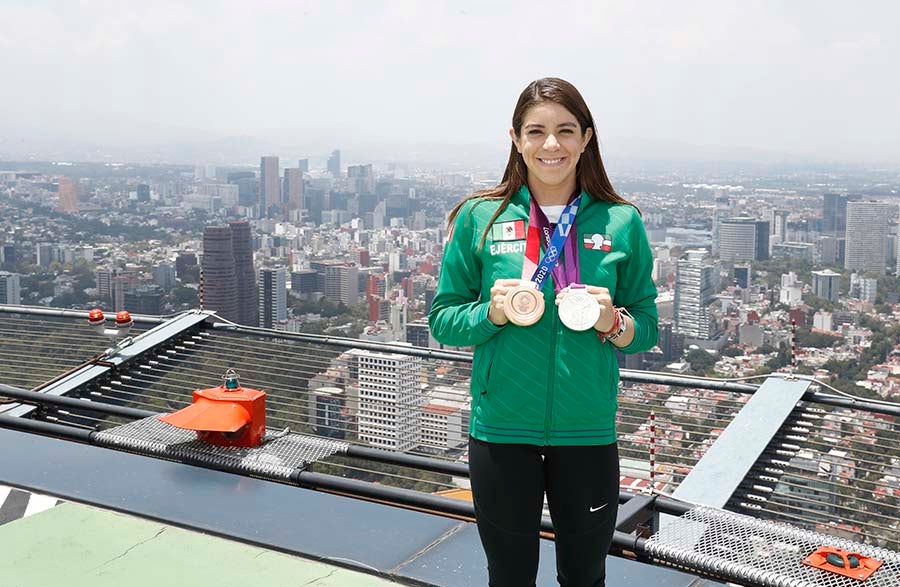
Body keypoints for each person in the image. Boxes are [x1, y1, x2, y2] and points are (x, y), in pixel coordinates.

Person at [428, 77, 658, 586]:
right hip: (502, 429)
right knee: (508, 576)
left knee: (584, 575)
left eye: (565, 130)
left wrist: (613, 322)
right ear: (515, 138)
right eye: (536, 131)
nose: (551, 145)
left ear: (586, 138)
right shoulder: (479, 218)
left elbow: (647, 328)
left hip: (588, 430)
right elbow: (443, 318)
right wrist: (490, 313)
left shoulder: (620, 222)